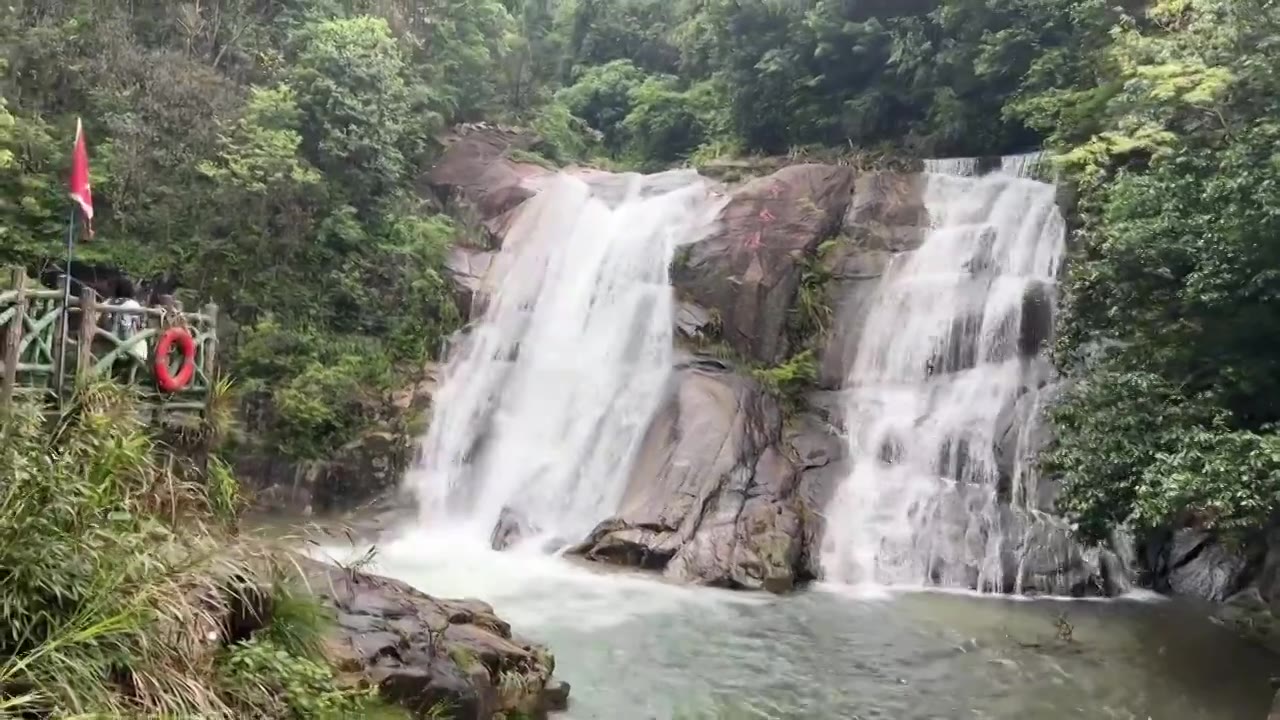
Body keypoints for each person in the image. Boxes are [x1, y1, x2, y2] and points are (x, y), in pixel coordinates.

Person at [111, 278, 148, 364]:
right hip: (126, 340)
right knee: (142, 342)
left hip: (110, 337)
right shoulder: (132, 304)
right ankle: (136, 368)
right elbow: (138, 325)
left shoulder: (109, 302)